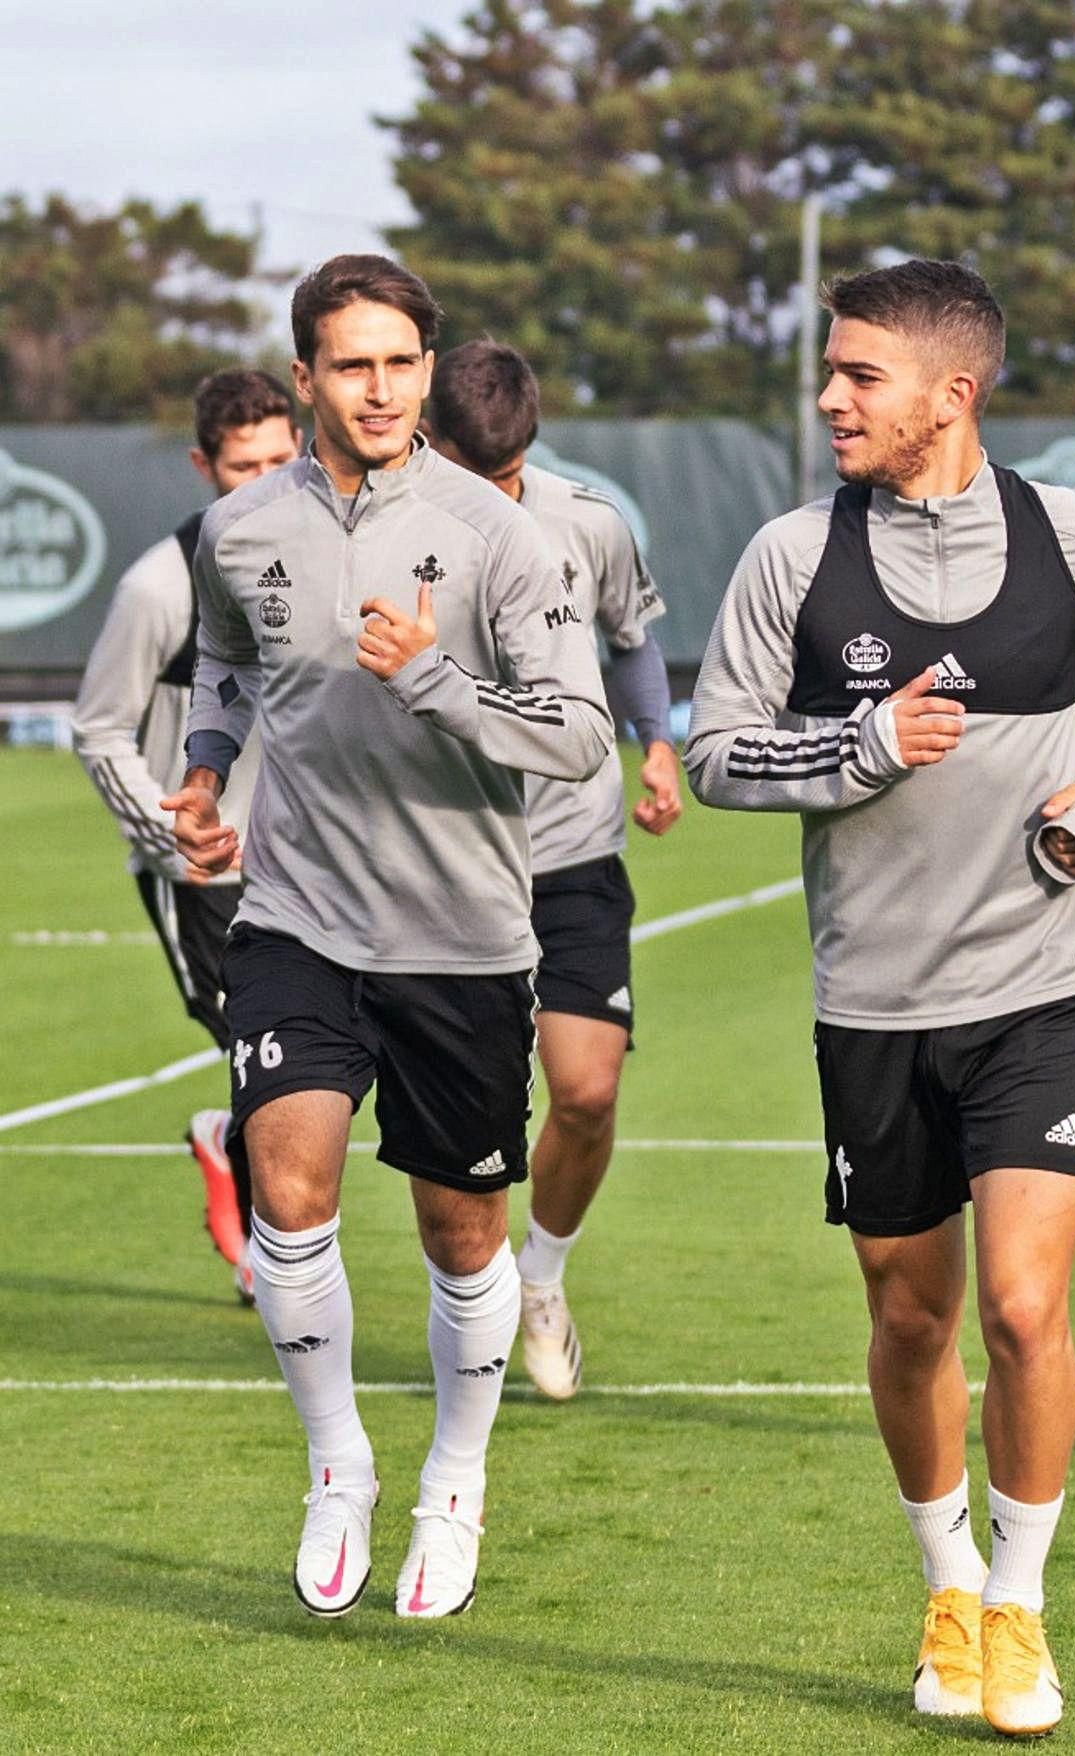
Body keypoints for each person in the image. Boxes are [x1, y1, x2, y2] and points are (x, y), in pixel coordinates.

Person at [686, 259, 1075, 1737]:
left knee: (1028, 1307)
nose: (833, 397)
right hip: (871, 1002)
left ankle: (1022, 1613)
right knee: (911, 1318)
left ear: (949, 395)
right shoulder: (792, 555)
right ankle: (945, 1580)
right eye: (831, 373)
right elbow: (718, 748)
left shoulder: (1073, 538)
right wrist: (860, 745)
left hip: (1043, 985)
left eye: (860, 376)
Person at [161, 255, 612, 1620]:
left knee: (462, 1235)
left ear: (426, 371)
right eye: (349, 364)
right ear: (304, 377)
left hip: (462, 937)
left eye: (399, 362)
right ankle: (338, 1463)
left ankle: (456, 1480)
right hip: (298, 916)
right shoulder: (240, 530)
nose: (377, 387)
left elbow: (578, 733)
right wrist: (206, 767)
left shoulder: (502, 537)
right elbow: (230, 664)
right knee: (288, 1186)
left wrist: (431, 676)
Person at [424, 339, 682, 1400]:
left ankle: (542, 1278)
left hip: (574, 851)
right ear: (430, 441)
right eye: (475, 473)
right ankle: (471, 1293)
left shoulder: (588, 519)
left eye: (510, 471)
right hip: (443, 861)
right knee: (467, 1119)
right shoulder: (393, 535)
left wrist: (656, 740)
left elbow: (631, 638)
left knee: (583, 1087)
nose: (497, 498)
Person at [72, 369, 301, 1303]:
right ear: (204, 466)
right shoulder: (159, 587)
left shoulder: (325, 552)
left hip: (308, 858)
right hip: (202, 873)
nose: (264, 481)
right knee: (267, 1058)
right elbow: (97, 730)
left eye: (282, 459)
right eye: (242, 466)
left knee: (323, 1058)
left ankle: (228, 1148)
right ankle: (270, 1261)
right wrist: (174, 840)